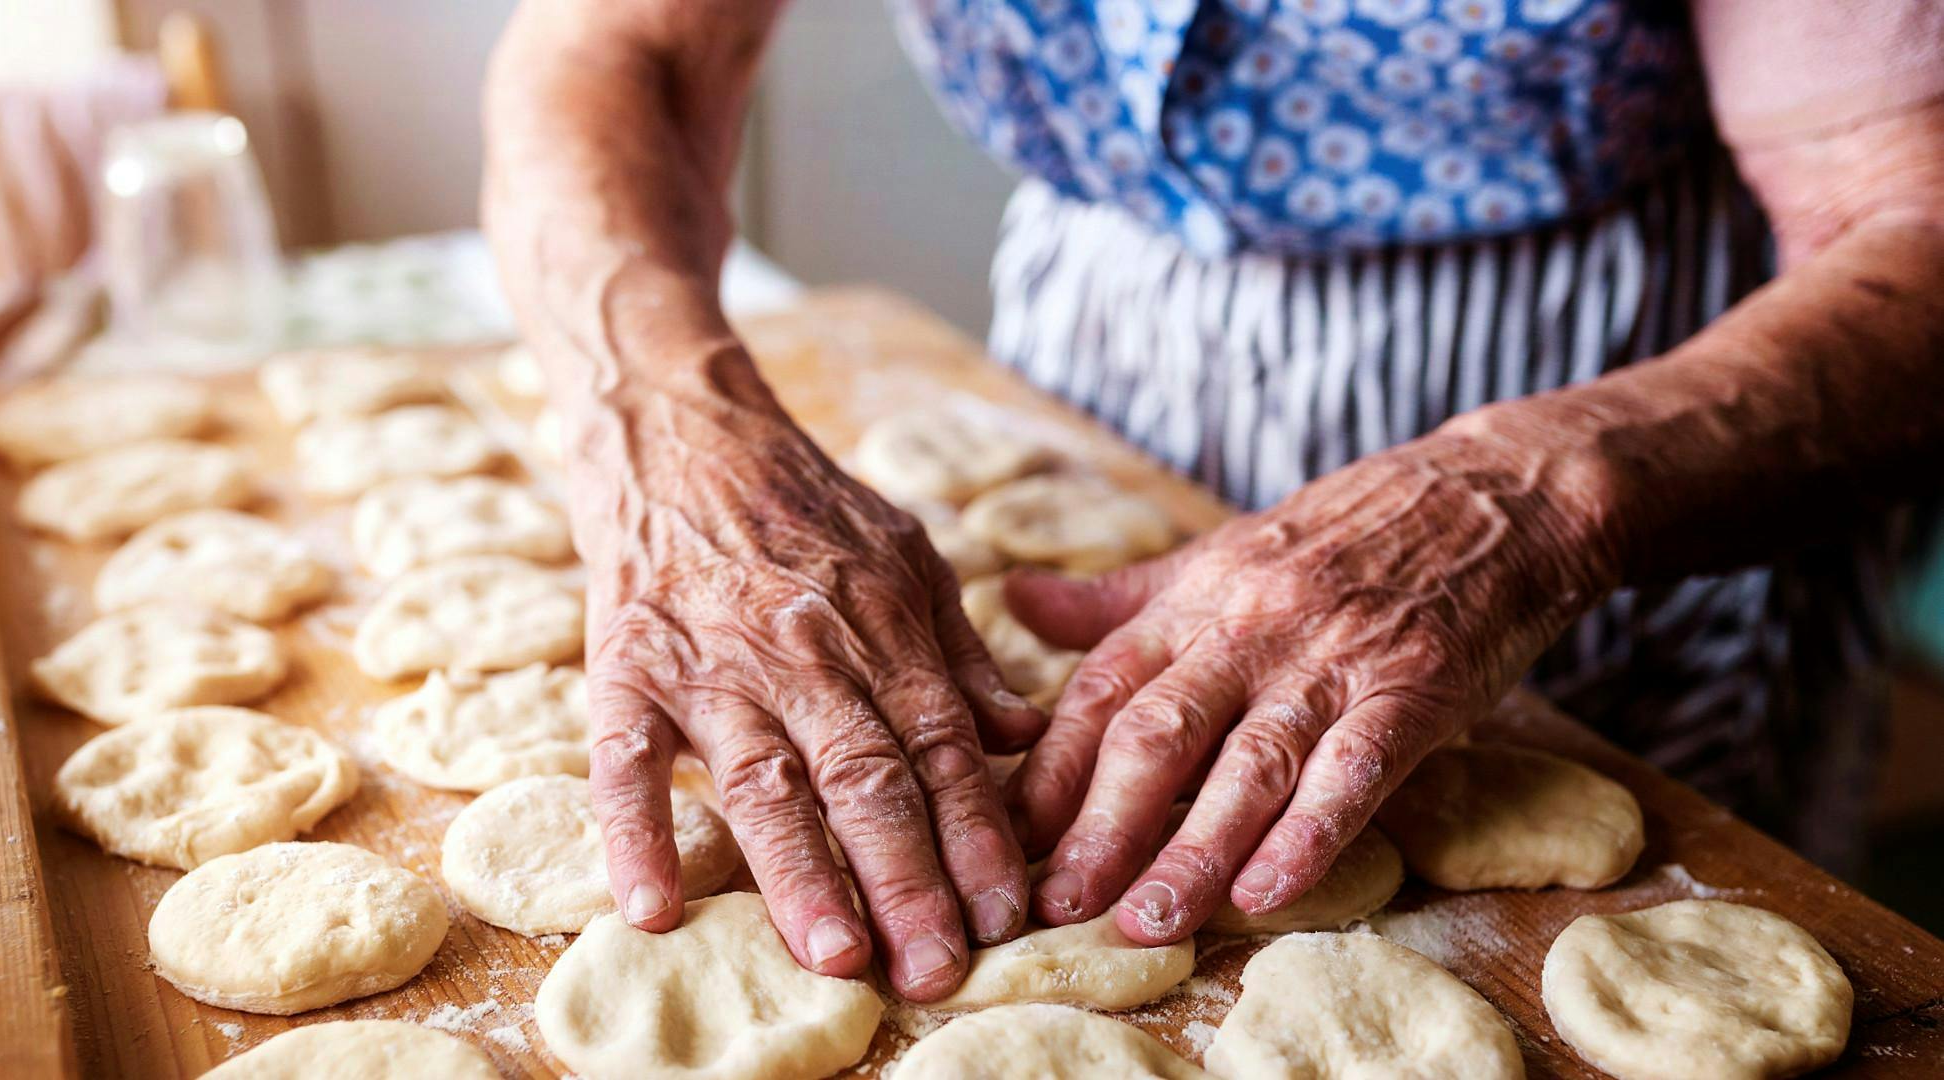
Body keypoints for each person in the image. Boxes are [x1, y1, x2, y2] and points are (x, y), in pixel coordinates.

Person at [482, 0, 1944, 1001]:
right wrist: (659, 428)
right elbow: (620, 51)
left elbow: (1911, 220)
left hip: (1638, 420)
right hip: (1099, 367)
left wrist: (1534, 505)